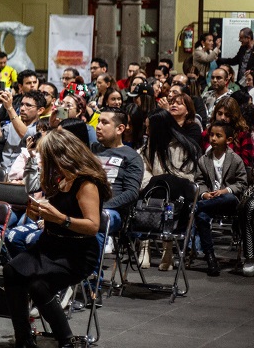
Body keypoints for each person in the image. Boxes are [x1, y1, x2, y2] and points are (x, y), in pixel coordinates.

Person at [4, 129, 110, 348]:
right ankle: (24, 339)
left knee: (39, 285)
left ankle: (67, 343)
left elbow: (93, 226)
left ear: (62, 155)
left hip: (77, 251)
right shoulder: (59, 179)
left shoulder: (86, 184)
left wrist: (60, 218)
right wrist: (38, 213)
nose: (44, 162)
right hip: (50, 244)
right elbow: (51, 214)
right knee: (12, 272)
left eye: (47, 157)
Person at [141, 109, 201, 271]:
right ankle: (144, 248)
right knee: (144, 192)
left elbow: (187, 176)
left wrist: (162, 180)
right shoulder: (149, 145)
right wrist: (153, 181)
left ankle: (168, 251)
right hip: (154, 189)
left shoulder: (184, 146)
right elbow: (143, 168)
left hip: (178, 193)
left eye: (149, 129)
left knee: (166, 191)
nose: (146, 132)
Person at [193, 120, 247, 277]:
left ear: (228, 140)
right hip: (210, 201)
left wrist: (225, 190)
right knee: (202, 216)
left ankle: (196, 207)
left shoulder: (235, 159)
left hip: (229, 201)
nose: (213, 139)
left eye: (218, 135)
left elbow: (242, 183)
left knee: (228, 198)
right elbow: (199, 181)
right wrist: (204, 194)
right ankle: (210, 257)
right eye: (211, 135)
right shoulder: (204, 159)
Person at [93, 109, 144, 239]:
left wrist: (101, 207)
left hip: (111, 211)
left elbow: (131, 193)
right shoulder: (90, 150)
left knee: (99, 219)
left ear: (120, 129)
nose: (98, 126)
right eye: (98, 121)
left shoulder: (131, 156)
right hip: (86, 203)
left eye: (104, 123)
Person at [0, 89, 43, 170]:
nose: (22, 108)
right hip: (2, 170)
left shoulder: (41, 129)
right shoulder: (13, 124)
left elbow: (26, 135)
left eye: (28, 105)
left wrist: (10, 108)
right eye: (21, 104)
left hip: (22, 173)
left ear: (40, 110)